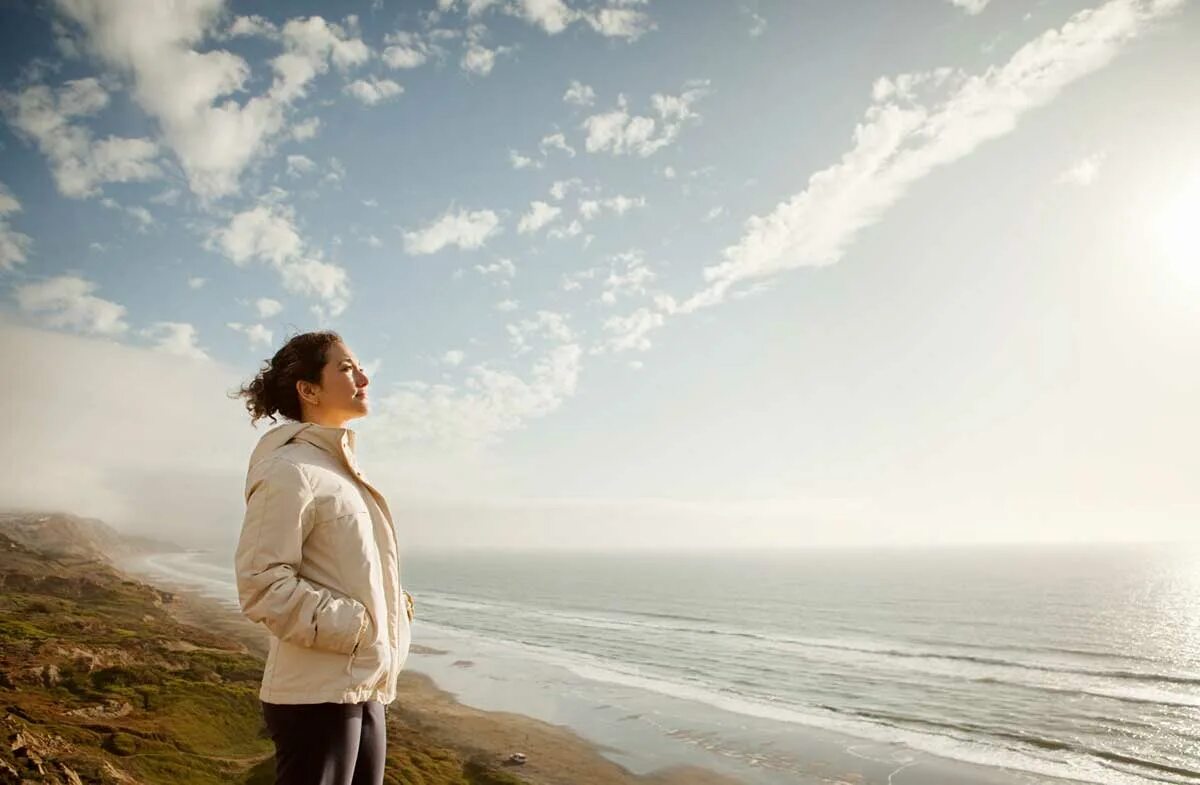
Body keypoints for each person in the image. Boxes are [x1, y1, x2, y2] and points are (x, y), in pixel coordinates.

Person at [230, 330, 413, 785]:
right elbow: (261, 583)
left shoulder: (338, 471)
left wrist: (391, 616)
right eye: (347, 368)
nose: (364, 378)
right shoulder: (289, 469)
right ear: (308, 390)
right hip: (316, 697)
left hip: (362, 684)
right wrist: (358, 627)